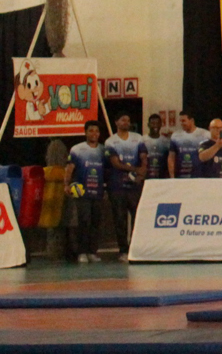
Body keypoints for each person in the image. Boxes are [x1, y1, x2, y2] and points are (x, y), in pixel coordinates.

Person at [103, 113, 147, 262]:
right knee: (120, 219)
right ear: (116, 122)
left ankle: (136, 247)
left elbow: (143, 157)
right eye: (123, 120)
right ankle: (123, 250)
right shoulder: (110, 142)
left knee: (137, 217)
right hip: (117, 187)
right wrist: (135, 170)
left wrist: (142, 173)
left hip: (134, 186)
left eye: (128, 120)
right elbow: (115, 163)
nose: (126, 122)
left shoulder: (138, 138)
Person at [68, 121, 109, 264]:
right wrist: (66, 184)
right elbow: (69, 168)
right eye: (91, 131)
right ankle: (82, 252)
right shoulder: (77, 149)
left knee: (96, 222)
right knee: (84, 221)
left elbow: (107, 170)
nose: (94, 134)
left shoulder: (103, 150)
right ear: (85, 132)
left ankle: (92, 252)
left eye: (96, 131)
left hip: (98, 192)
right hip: (82, 193)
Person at [168, 111, 207, 179]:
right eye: (180, 121)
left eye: (183, 121)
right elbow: (171, 157)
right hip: (181, 177)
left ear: (192, 120)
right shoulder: (175, 136)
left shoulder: (205, 135)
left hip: (200, 177)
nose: (181, 123)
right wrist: (172, 177)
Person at [145, 114, 170, 180]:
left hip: (161, 177)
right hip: (147, 177)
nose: (155, 125)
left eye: (157, 123)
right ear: (148, 125)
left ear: (161, 125)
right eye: (153, 123)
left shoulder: (166, 141)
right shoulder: (142, 141)